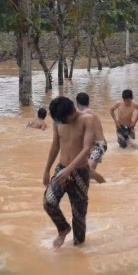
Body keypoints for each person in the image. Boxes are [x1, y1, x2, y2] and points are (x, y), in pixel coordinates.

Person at [43, 96, 96, 248]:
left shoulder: (87, 119)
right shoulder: (58, 120)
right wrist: (46, 170)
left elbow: (86, 149)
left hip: (80, 172)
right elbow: (55, 146)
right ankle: (63, 229)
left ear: (73, 110)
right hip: (62, 169)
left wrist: (69, 169)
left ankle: (79, 254)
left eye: (67, 119)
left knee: (79, 214)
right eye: (61, 121)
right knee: (48, 202)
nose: (64, 123)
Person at [75, 92, 107, 184]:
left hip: (98, 145)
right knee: (86, 171)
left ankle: (105, 184)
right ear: (88, 102)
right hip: (95, 145)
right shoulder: (88, 112)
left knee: (87, 170)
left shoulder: (85, 113)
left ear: (77, 103)